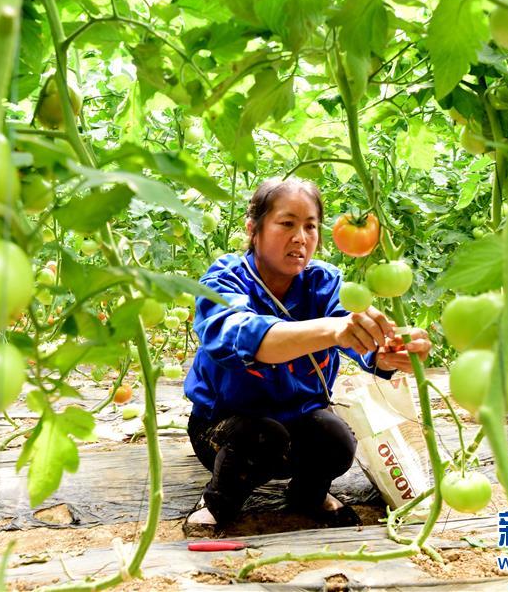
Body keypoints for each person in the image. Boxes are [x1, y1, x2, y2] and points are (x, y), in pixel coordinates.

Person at [182, 177, 431, 536]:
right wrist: (334, 329)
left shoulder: (324, 282)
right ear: (254, 228)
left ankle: (308, 495)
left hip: (298, 419)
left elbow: (352, 334)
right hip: (225, 427)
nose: (300, 237)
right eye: (287, 223)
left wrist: (386, 353)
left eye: (310, 226)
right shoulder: (226, 278)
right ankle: (218, 502)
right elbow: (241, 336)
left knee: (337, 440)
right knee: (261, 437)